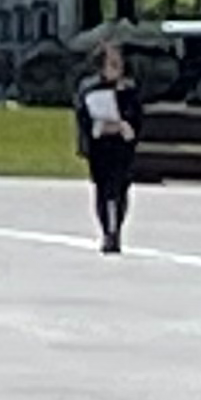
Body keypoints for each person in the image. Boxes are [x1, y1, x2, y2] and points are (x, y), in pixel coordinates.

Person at [78, 39, 141, 254]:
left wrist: (125, 125)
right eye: (111, 63)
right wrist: (100, 126)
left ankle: (117, 230)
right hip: (100, 148)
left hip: (121, 148)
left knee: (121, 189)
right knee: (104, 190)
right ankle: (107, 231)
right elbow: (83, 117)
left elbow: (136, 117)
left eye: (118, 63)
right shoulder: (89, 88)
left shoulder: (129, 89)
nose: (117, 68)